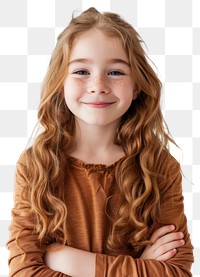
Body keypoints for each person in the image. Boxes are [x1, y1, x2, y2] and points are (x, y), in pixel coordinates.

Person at [7, 7, 194, 277]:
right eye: (81, 71)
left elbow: (176, 271)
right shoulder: (36, 165)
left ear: (137, 85)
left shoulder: (160, 167)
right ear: (61, 83)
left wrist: (69, 261)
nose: (98, 85)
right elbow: (25, 271)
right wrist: (143, 267)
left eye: (116, 72)